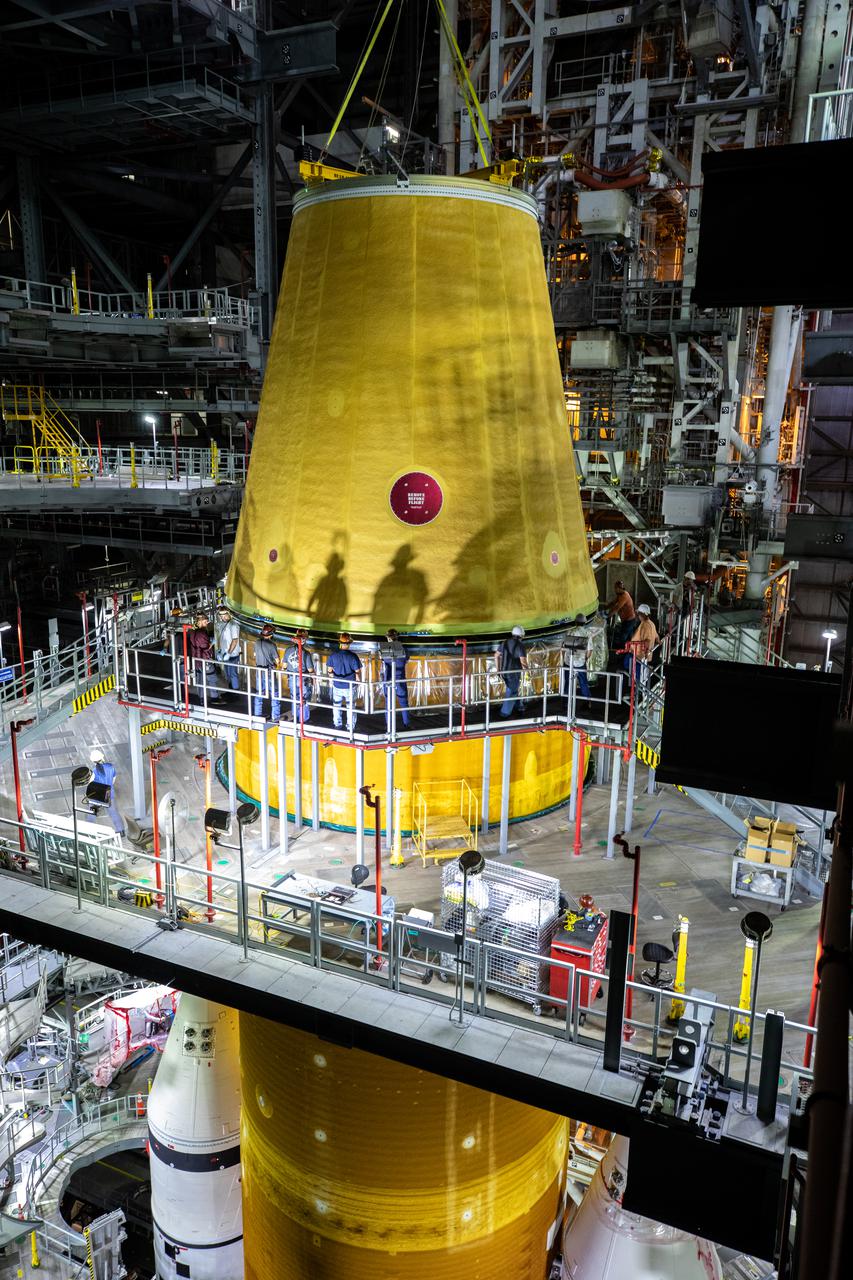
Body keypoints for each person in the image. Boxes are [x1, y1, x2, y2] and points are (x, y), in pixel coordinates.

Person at [327, 633, 362, 731]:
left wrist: (333, 679)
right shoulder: (353, 656)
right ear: (349, 643)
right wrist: (359, 683)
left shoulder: (333, 655)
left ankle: (337, 724)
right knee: (351, 707)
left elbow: (329, 671)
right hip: (350, 686)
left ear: (340, 643)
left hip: (337, 685)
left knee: (336, 706)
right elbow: (357, 673)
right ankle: (350, 727)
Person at [379, 628, 410, 730]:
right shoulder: (403, 649)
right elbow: (406, 659)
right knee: (404, 703)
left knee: (389, 705)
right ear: (397, 637)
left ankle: (389, 726)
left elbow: (382, 660)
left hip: (388, 680)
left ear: (388, 638)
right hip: (400, 680)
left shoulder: (383, 649)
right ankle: (406, 724)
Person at [89, 748, 125, 837]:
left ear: (93, 761)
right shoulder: (111, 767)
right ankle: (121, 831)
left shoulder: (94, 771)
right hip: (109, 793)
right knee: (113, 812)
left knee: (92, 812)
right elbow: (113, 780)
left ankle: (88, 831)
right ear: (102, 758)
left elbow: (91, 783)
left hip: (98, 795)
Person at [496, 625, 528, 717]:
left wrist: (498, 670)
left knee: (514, 689)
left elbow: (496, 655)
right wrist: (528, 673)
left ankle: (519, 706)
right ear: (522, 635)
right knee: (511, 693)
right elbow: (523, 662)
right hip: (513, 674)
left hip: (504, 672)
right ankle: (504, 714)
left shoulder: (505, 642)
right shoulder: (520, 646)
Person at [284, 629, 314, 723]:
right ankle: (304, 719)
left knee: (294, 697)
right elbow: (310, 670)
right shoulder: (306, 653)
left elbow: (284, 665)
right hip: (303, 679)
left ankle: (295, 716)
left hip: (291, 678)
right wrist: (314, 678)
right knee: (304, 698)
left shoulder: (288, 650)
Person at [607, 581, 638, 671]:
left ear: (620, 588)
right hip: (627, 620)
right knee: (630, 638)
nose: (615, 589)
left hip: (629, 621)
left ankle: (621, 658)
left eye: (616, 588)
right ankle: (630, 655)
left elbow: (617, 608)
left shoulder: (624, 596)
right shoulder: (620, 595)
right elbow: (613, 603)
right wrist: (605, 608)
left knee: (622, 638)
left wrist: (607, 615)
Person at [252, 624, 282, 720]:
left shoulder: (256, 642)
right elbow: (277, 660)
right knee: (275, 694)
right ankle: (275, 716)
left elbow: (254, 654)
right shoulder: (272, 645)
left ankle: (257, 715)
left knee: (259, 693)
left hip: (259, 672)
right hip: (269, 672)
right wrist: (276, 664)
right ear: (271, 634)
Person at [189, 614, 221, 701]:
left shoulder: (193, 631)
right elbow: (205, 647)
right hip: (205, 660)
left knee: (200, 680)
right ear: (200, 622)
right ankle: (215, 698)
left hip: (197, 660)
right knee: (212, 678)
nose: (207, 623)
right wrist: (212, 642)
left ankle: (202, 699)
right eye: (205, 621)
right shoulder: (201, 633)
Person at [561, 614, 590, 702]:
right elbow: (590, 650)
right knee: (583, 683)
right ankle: (587, 702)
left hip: (568, 662)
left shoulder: (569, 632)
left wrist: (564, 660)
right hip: (580, 663)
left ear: (575, 622)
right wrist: (585, 659)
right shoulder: (587, 633)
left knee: (568, 683)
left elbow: (563, 649)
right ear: (585, 622)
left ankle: (566, 704)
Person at [630, 603, 660, 687]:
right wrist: (658, 642)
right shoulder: (651, 623)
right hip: (644, 655)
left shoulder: (645, 625)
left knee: (628, 664)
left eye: (638, 613)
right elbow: (657, 637)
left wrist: (646, 653)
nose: (638, 616)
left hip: (639, 655)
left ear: (641, 614)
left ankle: (638, 690)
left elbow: (646, 641)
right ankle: (639, 686)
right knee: (640, 672)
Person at [214, 607, 241, 691]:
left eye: (224, 615)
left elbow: (235, 640)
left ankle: (235, 692)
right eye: (221, 616)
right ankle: (230, 690)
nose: (222, 617)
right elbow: (219, 638)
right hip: (224, 653)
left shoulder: (234, 625)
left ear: (228, 614)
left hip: (232, 655)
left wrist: (229, 653)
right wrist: (218, 650)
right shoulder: (221, 624)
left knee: (233, 674)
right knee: (227, 674)